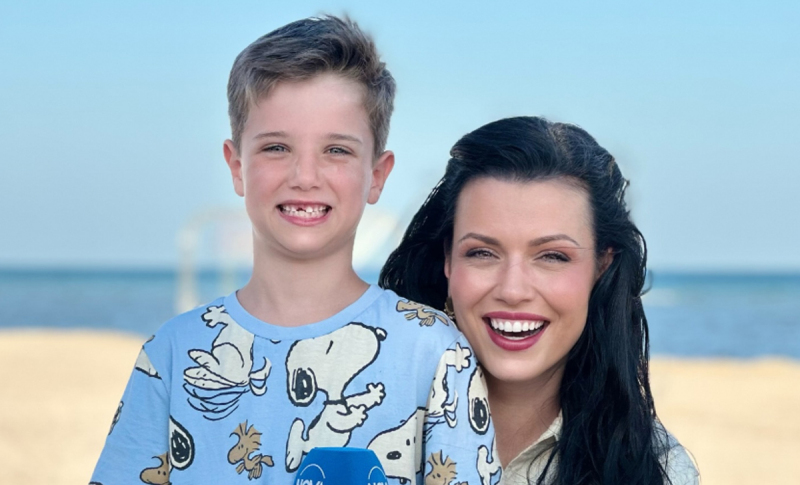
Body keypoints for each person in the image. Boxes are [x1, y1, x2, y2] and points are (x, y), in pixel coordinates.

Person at [91, 16, 499, 485]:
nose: (305, 176)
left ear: (377, 175)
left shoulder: (435, 352)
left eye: (337, 150)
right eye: (276, 148)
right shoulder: (171, 353)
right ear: (236, 166)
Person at [381, 116, 699, 484]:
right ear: (448, 260)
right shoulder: (353, 422)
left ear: (601, 266)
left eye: (552, 256)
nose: (513, 290)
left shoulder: (659, 470)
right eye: (482, 252)